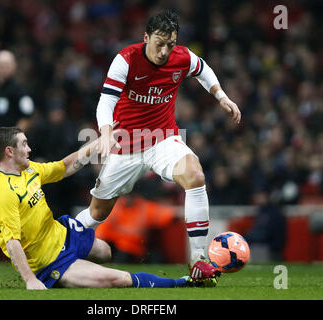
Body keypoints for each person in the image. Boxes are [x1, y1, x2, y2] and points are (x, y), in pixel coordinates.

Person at [75, 9, 240, 282]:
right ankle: (54, 249)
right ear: (146, 37)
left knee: (196, 176)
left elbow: (203, 69)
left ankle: (198, 259)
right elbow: (106, 101)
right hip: (125, 144)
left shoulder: (182, 57)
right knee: (97, 213)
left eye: (170, 45)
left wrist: (220, 96)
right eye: (159, 43)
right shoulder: (126, 59)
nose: (164, 51)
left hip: (162, 139)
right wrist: (105, 132)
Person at [0, 127, 205, 289]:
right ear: (9, 151)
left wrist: (98, 143)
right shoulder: (2, 193)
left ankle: (79, 272)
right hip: (49, 261)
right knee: (116, 279)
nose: (29, 149)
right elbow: (12, 241)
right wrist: (30, 280)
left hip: (61, 234)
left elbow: (63, 168)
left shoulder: (28, 170)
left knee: (105, 251)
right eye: (24, 144)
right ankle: (184, 283)